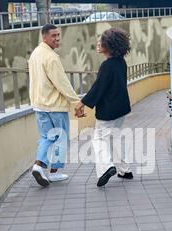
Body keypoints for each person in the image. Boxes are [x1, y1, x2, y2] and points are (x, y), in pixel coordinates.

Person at [75, 28, 133, 187]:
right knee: (115, 137)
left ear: (109, 45)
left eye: (102, 41)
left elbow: (98, 88)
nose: (98, 43)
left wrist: (82, 103)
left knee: (99, 139)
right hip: (121, 108)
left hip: (108, 111)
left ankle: (106, 168)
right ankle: (124, 170)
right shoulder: (121, 62)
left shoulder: (107, 66)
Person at [29, 24, 81, 187]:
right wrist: (76, 102)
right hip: (55, 106)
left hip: (39, 104)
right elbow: (62, 83)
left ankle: (38, 166)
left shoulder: (36, 53)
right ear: (44, 37)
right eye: (53, 36)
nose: (57, 38)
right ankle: (53, 173)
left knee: (46, 137)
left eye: (58, 35)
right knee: (61, 138)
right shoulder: (51, 57)